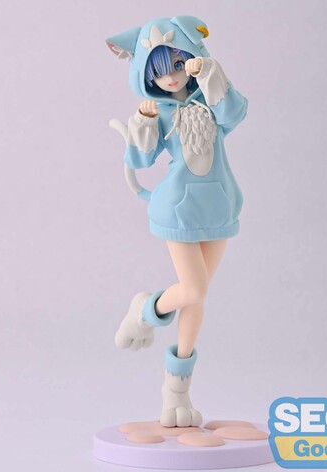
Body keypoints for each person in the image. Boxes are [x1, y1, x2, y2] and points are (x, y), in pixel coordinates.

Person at [106, 16, 248, 427]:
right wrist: (143, 120)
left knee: (196, 299)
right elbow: (140, 160)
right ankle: (145, 310)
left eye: (177, 64)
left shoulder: (210, 101)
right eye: (158, 71)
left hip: (219, 205)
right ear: (146, 75)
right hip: (179, 207)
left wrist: (210, 72)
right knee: (193, 288)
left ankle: (177, 391)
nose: (169, 77)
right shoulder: (161, 111)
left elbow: (235, 113)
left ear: (190, 59)